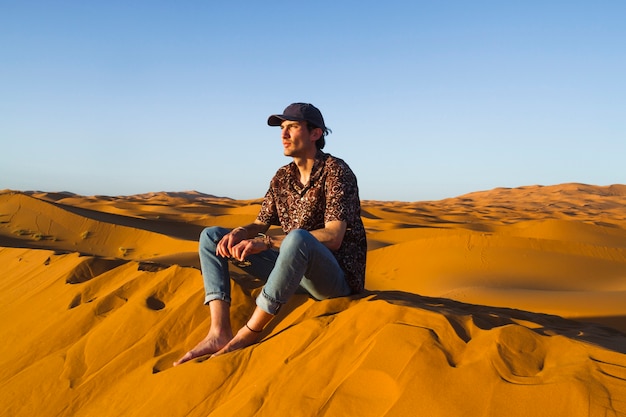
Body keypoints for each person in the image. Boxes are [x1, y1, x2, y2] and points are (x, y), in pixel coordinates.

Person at [174, 102, 367, 365]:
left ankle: (250, 332)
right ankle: (219, 332)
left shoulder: (336, 171)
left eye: (292, 127)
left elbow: (333, 237)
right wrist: (242, 232)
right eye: (282, 128)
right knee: (212, 236)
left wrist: (267, 243)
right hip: (292, 273)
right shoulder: (282, 177)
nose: (283, 135)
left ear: (315, 134)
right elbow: (260, 223)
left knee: (299, 238)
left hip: (333, 280)